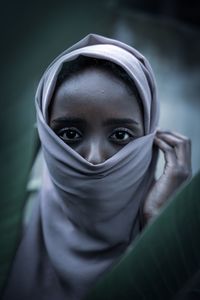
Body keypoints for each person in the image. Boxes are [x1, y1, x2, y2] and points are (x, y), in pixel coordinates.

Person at [2, 33, 191, 300]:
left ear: (150, 137)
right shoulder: (13, 225)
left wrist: (159, 227)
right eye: (69, 134)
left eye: (121, 136)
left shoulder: (189, 261)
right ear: (46, 136)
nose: (93, 158)